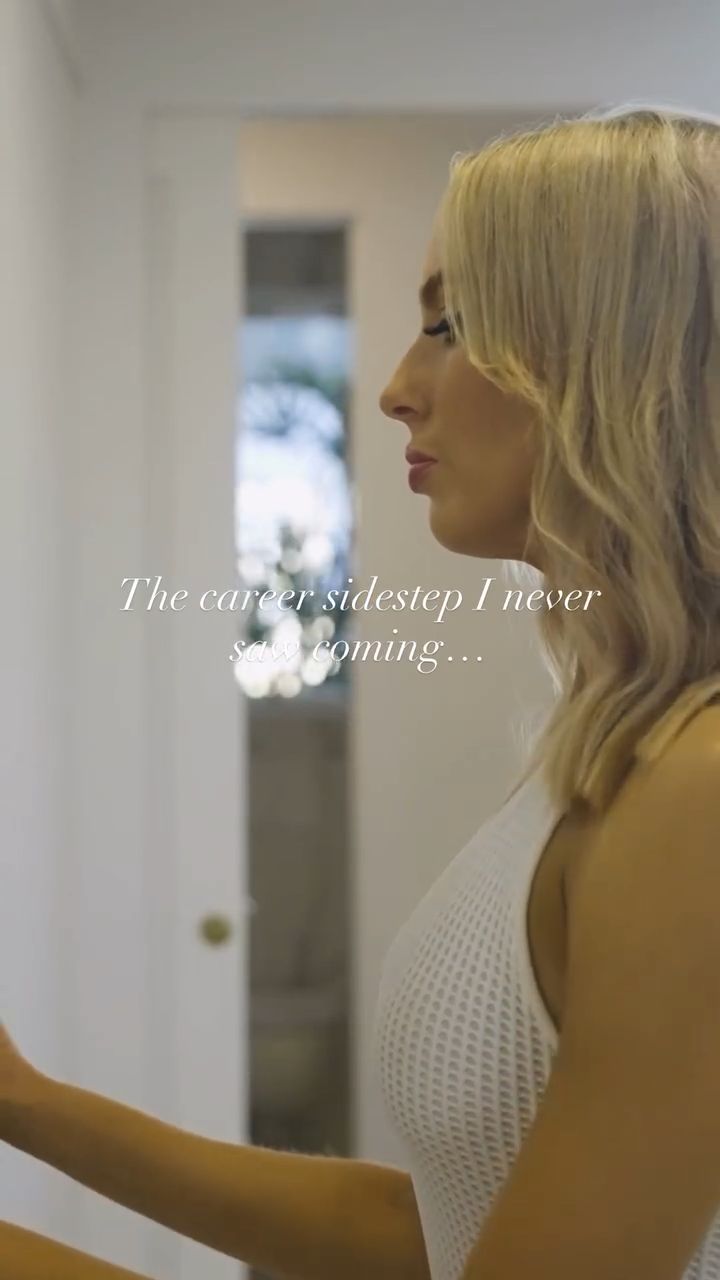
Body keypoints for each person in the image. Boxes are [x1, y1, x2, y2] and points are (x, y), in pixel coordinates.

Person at [3, 101, 720, 1280]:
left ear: (618, 354)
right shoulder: (616, 747)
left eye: (453, 323)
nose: (395, 387)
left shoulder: (696, 789)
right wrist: (23, 1100)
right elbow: (431, 1231)